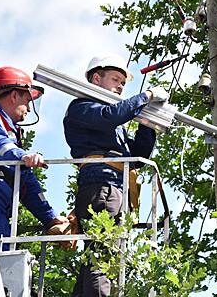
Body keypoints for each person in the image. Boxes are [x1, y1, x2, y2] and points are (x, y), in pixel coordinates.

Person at [63, 54, 169, 296]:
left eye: (123, 82)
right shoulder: (82, 107)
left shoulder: (113, 124)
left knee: (98, 255)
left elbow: (138, 154)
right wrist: (147, 96)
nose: (121, 86)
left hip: (113, 187)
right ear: (96, 78)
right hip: (102, 187)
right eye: (116, 79)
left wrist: (147, 123)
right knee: (103, 255)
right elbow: (111, 116)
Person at [0, 66, 68, 252]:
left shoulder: (13, 133)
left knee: (2, 256)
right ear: (14, 96)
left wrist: (51, 218)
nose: (30, 108)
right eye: (27, 100)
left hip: (1, 199)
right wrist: (23, 156)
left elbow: (27, 183)